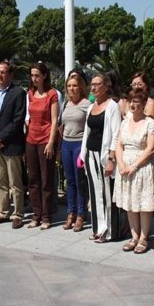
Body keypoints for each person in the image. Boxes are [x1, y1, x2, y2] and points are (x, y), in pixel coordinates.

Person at [114, 88, 154, 254]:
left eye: (136, 101)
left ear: (143, 104)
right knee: (130, 203)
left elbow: (150, 148)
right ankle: (134, 236)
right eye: (130, 101)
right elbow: (119, 145)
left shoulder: (150, 123)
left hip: (142, 167)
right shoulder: (125, 122)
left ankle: (143, 238)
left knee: (143, 204)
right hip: (125, 167)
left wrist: (134, 165)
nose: (133, 105)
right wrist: (120, 164)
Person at [80, 73, 122, 243]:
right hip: (91, 154)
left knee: (107, 193)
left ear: (106, 86)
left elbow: (116, 134)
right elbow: (87, 132)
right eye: (92, 84)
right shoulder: (91, 107)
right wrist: (83, 154)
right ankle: (98, 228)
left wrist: (111, 159)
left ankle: (110, 231)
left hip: (105, 155)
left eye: (98, 84)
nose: (94, 87)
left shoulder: (112, 106)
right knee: (95, 192)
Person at [0, 62, 26, 229]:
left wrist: (1, 137)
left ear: (10, 75)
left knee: (15, 183)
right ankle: (3, 212)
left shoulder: (18, 93)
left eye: (3, 72)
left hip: (11, 145)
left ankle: (18, 214)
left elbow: (18, 120)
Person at [24, 63, 59, 229]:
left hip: (45, 140)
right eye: (32, 75)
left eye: (37, 75)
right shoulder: (30, 93)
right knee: (33, 179)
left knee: (46, 180)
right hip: (31, 139)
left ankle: (46, 216)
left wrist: (51, 142)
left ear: (44, 76)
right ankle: (36, 214)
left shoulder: (52, 94)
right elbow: (28, 116)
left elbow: (54, 120)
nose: (34, 78)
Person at [61, 72, 90, 232]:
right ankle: (70, 212)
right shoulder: (67, 104)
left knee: (80, 182)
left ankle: (80, 214)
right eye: (69, 86)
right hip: (66, 144)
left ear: (81, 87)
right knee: (69, 182)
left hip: (79, 144)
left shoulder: (86, 104)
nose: (72, 88)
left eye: (75, 85)